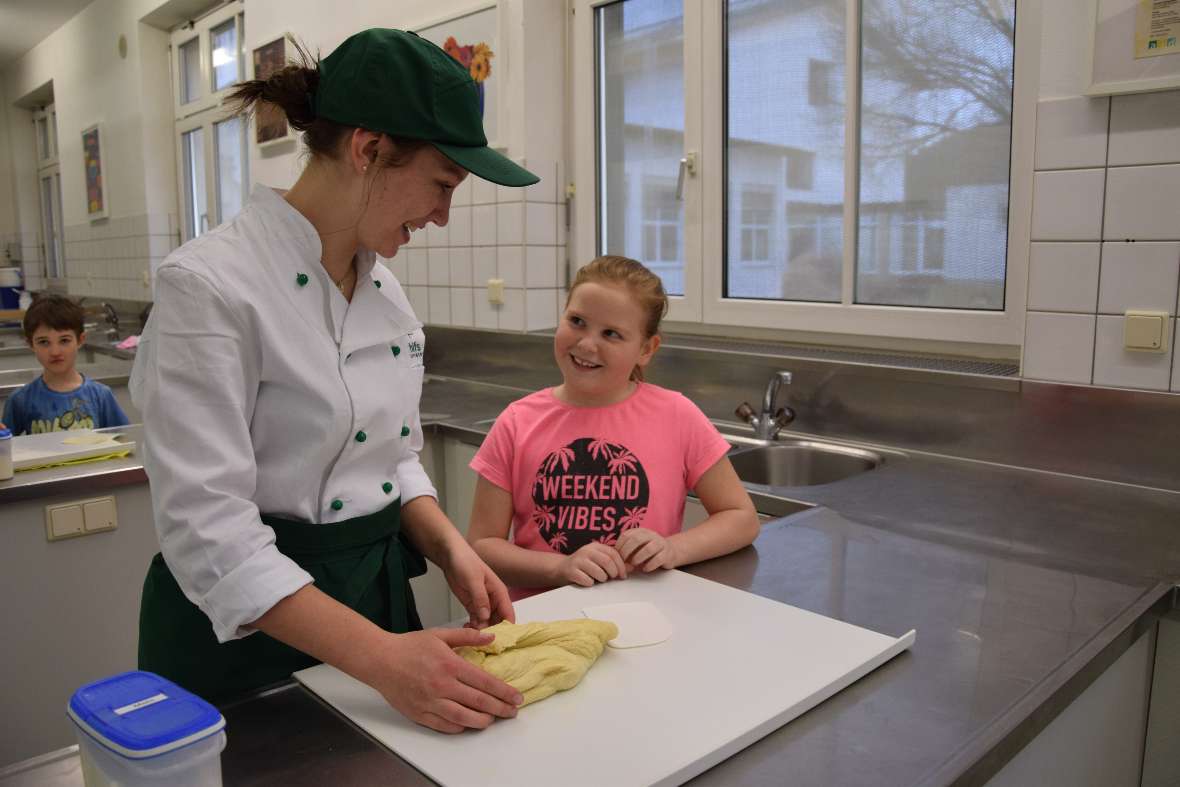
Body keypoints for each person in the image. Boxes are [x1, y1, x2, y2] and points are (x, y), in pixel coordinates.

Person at [129, 28, 539, 734]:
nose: (442, 215)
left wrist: (451, 548)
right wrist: (381, 659)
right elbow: (209, 531)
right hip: (240, 640)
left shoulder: (387, 297)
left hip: (374, 609)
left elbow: (395, 455)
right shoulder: (211, 287)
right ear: (368, 148)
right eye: (443, 184)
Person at [466, 256, 760, 598]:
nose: (587, 344)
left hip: (649, 614)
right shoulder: (516, 422)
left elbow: (741, 517)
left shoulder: (677, 415)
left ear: (646, 349)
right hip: (542, 621)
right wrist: (559, 568)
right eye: (577, 321)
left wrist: (672, 548)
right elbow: (482, 545)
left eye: (611, 334)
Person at [1, 295, 128, 435]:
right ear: (31, 344)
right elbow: (5, 450)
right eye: (44, 342)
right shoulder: (20, 400)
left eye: (64, 340)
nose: (55, 352)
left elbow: (126, 439)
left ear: (80, 340)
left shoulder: (101, 396)